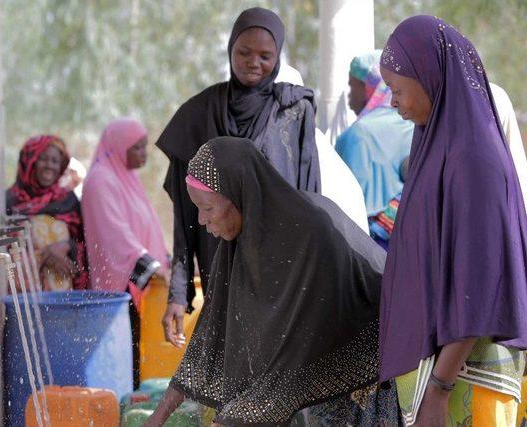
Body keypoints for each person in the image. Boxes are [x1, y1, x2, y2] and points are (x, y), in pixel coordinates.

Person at [145, 137, 399, 426]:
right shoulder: (238, 247)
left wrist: (237, 416)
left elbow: (297, 350)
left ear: (240, 194)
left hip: (358, 371)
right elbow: (210, 338)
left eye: (208, 208)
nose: (202, 220)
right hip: (300, 383)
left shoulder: (309, 235)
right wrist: (158, 416)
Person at [156, 7, 367, 349]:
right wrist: (178, 293)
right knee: (231, 361)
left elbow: (307, 197)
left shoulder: (293, 111)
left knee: (280, 362)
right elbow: (185, 217)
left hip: (279, 269)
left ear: (278, 56)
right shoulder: (197, 115)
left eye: (265, 56)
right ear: (230, 51)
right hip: (219, 266)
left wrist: (309, 278)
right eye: (244, 52)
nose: (254, 62)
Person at [378, 16, 527, 425]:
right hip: (445, 375)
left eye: (397, 90)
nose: (393, 103)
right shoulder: (439, 149)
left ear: (430, 78)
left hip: (467, 380)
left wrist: (438, 393)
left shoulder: (474, 161)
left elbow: (478, 286)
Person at [81, 118, 169, 389]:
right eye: (138, 148)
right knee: (128, 357)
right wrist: (152, 269)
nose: (144, 154)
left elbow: (147, 227)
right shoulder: (100, 181)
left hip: (136, 285)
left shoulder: (126, 177)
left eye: (145, 147)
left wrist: (168, 261)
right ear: (119, 147)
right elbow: (115, 236)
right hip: (121, 290)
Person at [6, 135, 89, 290]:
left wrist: (66, 247)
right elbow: (4, 250)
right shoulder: (11, 201)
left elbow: (87, 244)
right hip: (23, 295)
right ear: (29, 162)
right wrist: (44, 256)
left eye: (55, 161)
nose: (49, 166)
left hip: (64, 293)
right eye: (43, 159)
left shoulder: (68, 201)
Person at [335, 50, 413, 215]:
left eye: (352, 86)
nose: (349, 97)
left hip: (361, 236)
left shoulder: (357, 134)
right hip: (408, 234)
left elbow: (341, 204)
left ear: (369, 88)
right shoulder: (415, 126)